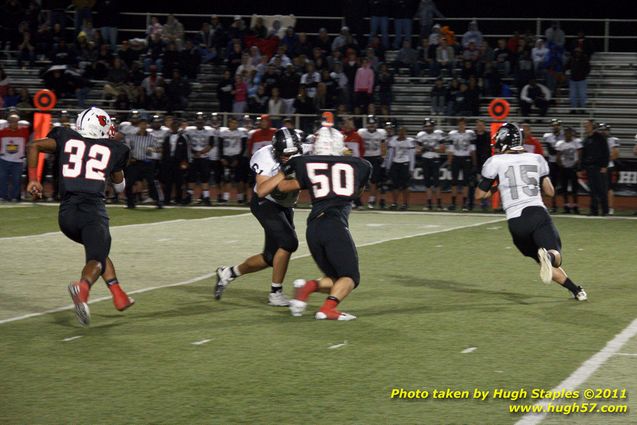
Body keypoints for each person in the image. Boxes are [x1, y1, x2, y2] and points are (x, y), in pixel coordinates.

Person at [26, 107, 135, 326]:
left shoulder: (65, 137)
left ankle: (118, 294)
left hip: (66, 215)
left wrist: (33, 180)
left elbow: (34, 146)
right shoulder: (116, 149)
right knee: (96, 257)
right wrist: (117, 168)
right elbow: (120, 184)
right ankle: (82, 288)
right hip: (92, 211)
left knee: (99, 251)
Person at [475, 122, 587, 301]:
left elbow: (479, 195)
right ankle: (549, 257)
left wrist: (498, 188)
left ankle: (576, 290)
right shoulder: (537, 159)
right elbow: (550, 192)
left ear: (504, 140)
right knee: (555, 257)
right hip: (536, 213)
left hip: (516, 223)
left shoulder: (495, 161)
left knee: (543, 263)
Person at [276, 119, 372, 320]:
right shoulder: (361, 165)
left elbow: (283, 186)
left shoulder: (305, 162)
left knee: (336, 278)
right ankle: (328, 309)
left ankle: (307, 287)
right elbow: (357, 191)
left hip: (313, 228)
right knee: (351, 278)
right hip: (334, 224)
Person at [214, 128, 302, 306]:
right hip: (265, 203)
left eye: (294, 153)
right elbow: (262, 190)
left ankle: (229, 273)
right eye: (286, 154)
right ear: (276, 151)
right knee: (289, 242)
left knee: (270, 258)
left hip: (285, 205)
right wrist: (283, 172)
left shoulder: (306, 150)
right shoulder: (264, 156)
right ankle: (275, 294)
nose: (290, 157)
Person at [124, 116, 164, 209]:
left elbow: (158, 149)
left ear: (147, 125)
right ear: (138, 125)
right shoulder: (132, 136)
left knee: (151, 182)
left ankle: (158, 201)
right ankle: (130, 203)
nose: (143, 125)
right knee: (129, 183)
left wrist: (152, 149)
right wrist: (129, 160)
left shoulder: (152, 137)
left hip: (147, 162)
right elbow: (129, 149)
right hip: (135, 162)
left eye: (145, 124)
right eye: (141, 124)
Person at [580, 120, 609, 216]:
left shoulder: (600, 138)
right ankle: (594, 210)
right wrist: (582, 167)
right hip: (589, 168)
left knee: (601, 189)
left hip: (599, 167)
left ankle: (605, 211)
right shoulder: (586, 139)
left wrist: (604, 165)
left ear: (593, 126)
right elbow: (584, 154)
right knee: (592, 190)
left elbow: (606, 152)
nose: (585, 127)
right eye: (585, 125)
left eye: (587, 125)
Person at [184, 112, 214, 205]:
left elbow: (211, 144)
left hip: (204, 157)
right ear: (195, 122)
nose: (199, 122)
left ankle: (206, 197)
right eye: (198, 121)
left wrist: (200, 152)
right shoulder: (190, 131)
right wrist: (194, 152)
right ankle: (189, 196)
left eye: (201, 121)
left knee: (205, 178)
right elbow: (187, 143)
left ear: (204, 122)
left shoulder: (209, 131)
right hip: (193, 157)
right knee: (191, 178)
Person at [447, 118, 476, 211]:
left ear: (465, 125)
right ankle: (453, 203)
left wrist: (474, 163)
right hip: (456, 158)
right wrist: (449, 162)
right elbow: (450, 150)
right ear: (458, 125)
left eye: (463, 124)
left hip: (466, 158)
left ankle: (464, 204)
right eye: (460, 124)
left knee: (466, 183)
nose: (461, 126)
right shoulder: (453, 134)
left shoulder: (470, 134)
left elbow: (472, 150)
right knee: (454, 182)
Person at [358, 116, 387, 209]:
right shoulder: (361, 132)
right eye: (370, 123)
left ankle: (372, 200)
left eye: (373, 123)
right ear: (366, 124)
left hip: (375, 157)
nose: (371, 125)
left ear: (376, 124)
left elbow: (383, 145)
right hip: (364, 157)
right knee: (361, 180)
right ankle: (357, 200)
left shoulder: (381, 133)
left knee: (373, 181)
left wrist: (383, 156)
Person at [416, 118, 445, 210]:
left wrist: (432, 149)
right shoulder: (421, 135)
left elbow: (442, 149)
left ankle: (439, 204)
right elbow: (417, 151)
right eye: (426, 126)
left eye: (429, 126)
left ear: (433, 126)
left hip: (435, 159)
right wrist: (422, 149)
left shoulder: (438, 135)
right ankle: (429, 204)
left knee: (436, 183)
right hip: (425, 160)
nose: (428, 128)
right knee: (427, 183)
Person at [385, 123, 416, 210]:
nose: (401, 133)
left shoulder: (409, 142)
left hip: (405, 163)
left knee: (405, 185)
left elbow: (412, 156)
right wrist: (388, 166)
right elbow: (390, 154)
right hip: (395, 163)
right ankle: (394, 203)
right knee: (395, 185)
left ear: (406, 133)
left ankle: (405, 204)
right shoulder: (393, 141)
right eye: (400, 131)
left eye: (403, 132)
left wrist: (411, 168)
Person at [0, 113, 30, 202]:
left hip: (18, 160)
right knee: (2, 179)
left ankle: (15, 196)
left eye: (16, 121)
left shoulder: (24, 131)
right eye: (12, 121)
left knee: (17, 179)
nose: (14, 123)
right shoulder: (2, 132)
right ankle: (2, 196)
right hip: (4, 159)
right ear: (8, 122)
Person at [218, 116, 248, 203]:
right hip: (226, 157)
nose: (233, 124)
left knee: (239, 179)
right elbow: (220, 146)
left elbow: (243, 147)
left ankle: (240, 198)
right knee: (226, 178)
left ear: (237, 124)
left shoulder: (241, 132)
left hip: (237, 157)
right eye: (231, 122)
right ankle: (226, 197)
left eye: (235, 123)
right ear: (228, 123)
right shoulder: (223, 132)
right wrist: (222, 158)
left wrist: (238, 159)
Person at [161, 118, 190, 205]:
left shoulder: (183, 138)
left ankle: (179, 199)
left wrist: (185, 162)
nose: (175, 127)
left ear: (179, 127)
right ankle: (167, 199)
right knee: (168, 181)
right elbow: (164, 150)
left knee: (179, 182)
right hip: (168, 162)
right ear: (171, 126)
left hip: (179, 162)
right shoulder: (167, 137)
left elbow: (186, 151)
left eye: (176, 125)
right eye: (173, 125)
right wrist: (164, 162)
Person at [555, 127, 582, 214]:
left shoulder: (576, 142)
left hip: (573, 168)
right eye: (566, 133)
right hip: (564, 168)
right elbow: (558, 157)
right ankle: (566, 205)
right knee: (564, 188)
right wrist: (561, 165)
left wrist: (576, 165)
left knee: (574, 188)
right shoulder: (560, 144)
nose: (568, 135)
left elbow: (579, 155)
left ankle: (575, 206)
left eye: (570, 133)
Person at [542, 119, 563, 213]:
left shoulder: (564, 135)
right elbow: (552, 151)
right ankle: (554, 205)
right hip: (552, 162)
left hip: (563, 163)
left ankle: (567, 206)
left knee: (563, 185)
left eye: (557, 125)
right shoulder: (548, 136)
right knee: (552, 184)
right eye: (554, 125)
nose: (555, 126)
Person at [601, 124, 620, 215]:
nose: (604, 132)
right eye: (602, 130)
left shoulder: (612, 140)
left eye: (605, 130)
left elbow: (615, 154)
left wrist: (604, 161)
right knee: (600, 189)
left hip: (608, 166)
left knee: (609, 188)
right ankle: (604, 208)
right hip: (599, 167)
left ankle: (610, 208)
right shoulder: (598, 140)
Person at [565, 48, 590, 114]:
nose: (577, 53)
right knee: (572, 95)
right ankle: (573, 109)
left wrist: (584, 74)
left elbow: (588, 68)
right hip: (573, 80)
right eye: (576, 52)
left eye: (579, 52)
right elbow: (566, 66)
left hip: (582, 80)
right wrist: (567, 72)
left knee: (582, 95)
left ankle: (583, 109)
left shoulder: (584, 59)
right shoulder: (571, 59)